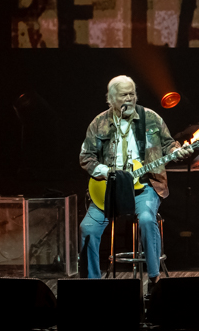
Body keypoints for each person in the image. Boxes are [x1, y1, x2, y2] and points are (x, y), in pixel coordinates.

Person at [79, 75, 191, 286]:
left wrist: (177, 151)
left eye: (132, 94)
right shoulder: (99, 122)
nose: (129, 98)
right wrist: (107, 172)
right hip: (109, 188)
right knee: (88, 229)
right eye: (124, 95)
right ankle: (92, 285)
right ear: (111, 99)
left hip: (144, 187)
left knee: (147, 220)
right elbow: (86, 157)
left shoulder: (151, 118)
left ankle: (154, 279)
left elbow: (168, 145)